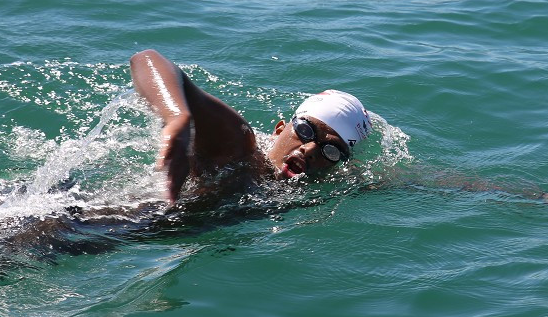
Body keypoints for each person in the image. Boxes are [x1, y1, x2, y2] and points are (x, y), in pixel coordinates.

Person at [129, 49, 372, 204]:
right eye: (306, 130)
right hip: (105, 226)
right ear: (279, 129)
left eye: (330, 151)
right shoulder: (238, 147)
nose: (309, 150)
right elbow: (146, 59)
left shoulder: (323, 187)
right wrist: (176, 118)